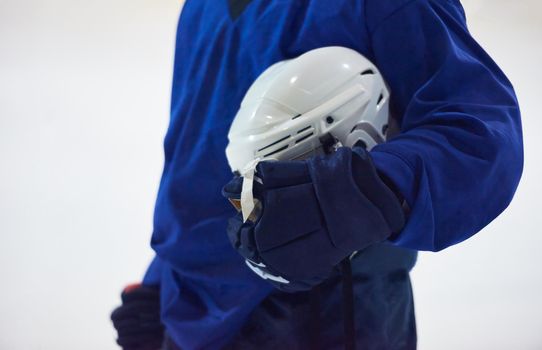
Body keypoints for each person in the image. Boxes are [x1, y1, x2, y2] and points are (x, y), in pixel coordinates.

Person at [111, 0, 523, 349]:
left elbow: (479, 134)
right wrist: (162, 284)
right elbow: (196, 160)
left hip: (326, 315)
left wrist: (359, 193)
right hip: (191, 321)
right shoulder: (203, 7)